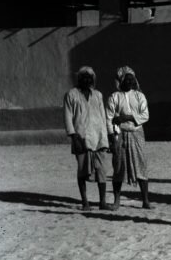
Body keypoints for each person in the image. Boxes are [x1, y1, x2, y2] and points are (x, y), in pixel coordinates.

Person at [63, 66, 110, 211]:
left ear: (93, 79)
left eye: (89, 77)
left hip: (99, 138)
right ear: (79, 79)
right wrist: (73, 136)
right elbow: (68, 117)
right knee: (82, 171)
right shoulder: (71, 95)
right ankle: (85, 203)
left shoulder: (98, 95)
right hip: (81, 138)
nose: (87, 79)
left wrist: (106, 137)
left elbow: (103, 117)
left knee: (102, 171)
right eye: (84, 77)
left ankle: (102, 202)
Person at [106, 66, 151, 210]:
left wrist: (128, 117)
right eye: (127, 79)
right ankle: (116, 201)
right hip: (120, 135)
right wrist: (111, 137)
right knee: (119, 167)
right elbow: (109, 118)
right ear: (121, 81)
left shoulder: (139, 96)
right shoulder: (114, 97)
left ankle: (145, 201)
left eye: (132, 79)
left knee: (141, 165)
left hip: (137, 134)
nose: (130, 81)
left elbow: (145, 115)